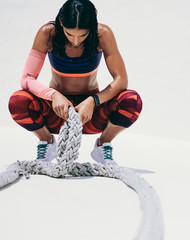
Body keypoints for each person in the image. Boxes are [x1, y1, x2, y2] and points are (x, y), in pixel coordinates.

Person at [8, 0, 142, 165]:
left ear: (92, 27)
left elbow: (121, 80)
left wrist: (94, 101)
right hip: (58, 112)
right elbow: (27, 78)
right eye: (69, 34)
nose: (76, 41)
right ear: (61, 23)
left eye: (83, 35)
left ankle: (103, 145)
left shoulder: (103, 34)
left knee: (132, 100)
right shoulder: (47, 33)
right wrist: (54, 95)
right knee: (17, 101)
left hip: (88, 115)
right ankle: (47, 142)